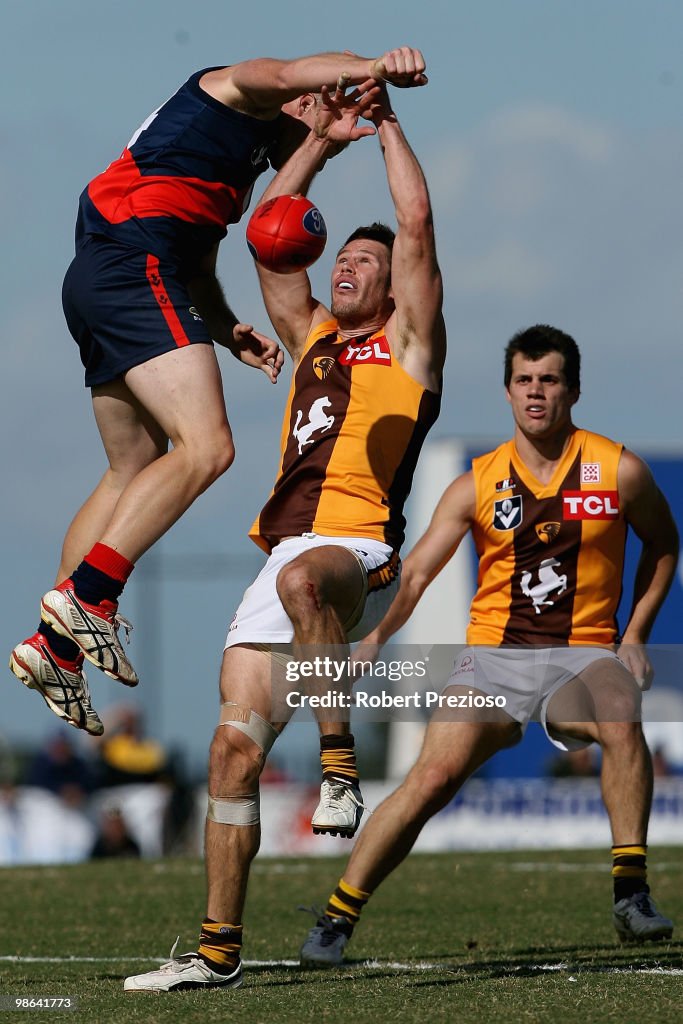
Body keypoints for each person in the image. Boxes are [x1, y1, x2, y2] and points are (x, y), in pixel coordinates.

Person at [124, 68, 446, 993]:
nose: (344, 266)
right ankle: (218, 952)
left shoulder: (412, 345)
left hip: (356, 551)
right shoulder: (309, 334)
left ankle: (338, 764)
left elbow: (416, 229)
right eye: (340, 256)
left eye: (364, 263)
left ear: (392, 291)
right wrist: (318, 142)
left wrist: (383, 128)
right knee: (230, 752)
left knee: (311, 585)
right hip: (281, 556)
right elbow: (271, 239)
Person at [8, 47, 428, 739]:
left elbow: (207, 259)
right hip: (132, 265)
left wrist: (228, 330)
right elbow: (295, 76)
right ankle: (88, 599)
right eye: (314, 98)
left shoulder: (246, 161)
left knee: (132, 467)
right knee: (207, 448)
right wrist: (377, 67)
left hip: (110, 275)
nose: (315, 104)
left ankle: (55, 645)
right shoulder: (231, 87)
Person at [298, 324, 678, 966]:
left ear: (573, 391)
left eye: (550, 380)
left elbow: (664, 544)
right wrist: (375, 641)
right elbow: (415, 572)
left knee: (620, 717)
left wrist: (635, 633)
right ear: (507, 392)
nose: (537, 393)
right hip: (493, 659)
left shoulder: (619, 469)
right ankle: (337, 916)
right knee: (432, 777)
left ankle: (631, 893)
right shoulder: (477, 483)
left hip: (583, 652)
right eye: (525, 380)